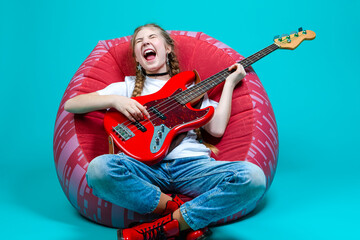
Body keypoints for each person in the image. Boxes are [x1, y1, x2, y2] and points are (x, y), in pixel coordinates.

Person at [64, 23, 266, 240]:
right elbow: (72, 104)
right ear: (138, 58)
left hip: (193, 167)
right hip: (145, 168)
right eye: (139, 42)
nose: (145, 43)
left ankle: (161, 227)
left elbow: (216, 130)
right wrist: (117, 101)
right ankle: (178, 215)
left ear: (168, 48)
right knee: (98, 170)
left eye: (152, 37)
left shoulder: (191, 90)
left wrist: (229, 83)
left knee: (253, 178)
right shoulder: (127, 87)